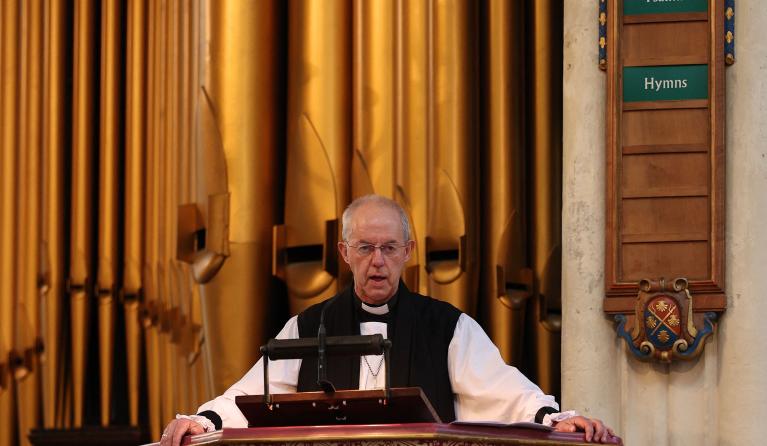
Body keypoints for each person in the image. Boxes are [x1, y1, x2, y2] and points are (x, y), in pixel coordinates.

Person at [160, 194, 616, 446]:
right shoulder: (307, 326)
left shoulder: (448, 327)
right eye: (364, 248)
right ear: (344, 253)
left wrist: (555, 419)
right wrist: (203, 421)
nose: (377, 261)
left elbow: (505, 393)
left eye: (389, 248)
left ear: (408, 253)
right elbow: (249, 395)